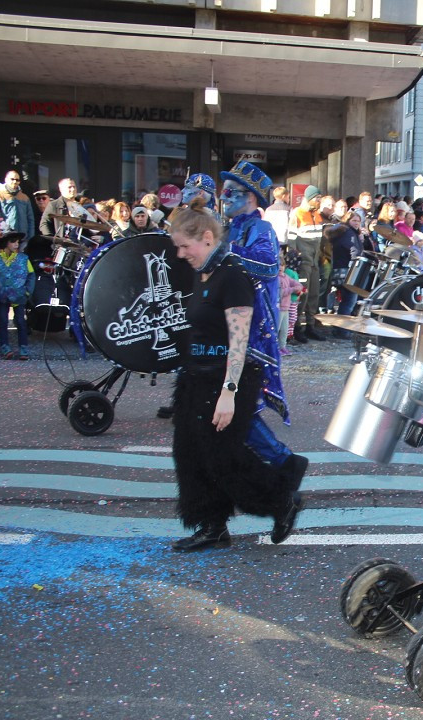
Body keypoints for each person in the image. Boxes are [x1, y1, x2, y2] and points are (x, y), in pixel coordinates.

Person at [167, 207, 304, 552]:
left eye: (185, 247)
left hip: (225, 379)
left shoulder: (232, 276)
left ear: (207, 239)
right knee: (190, 455)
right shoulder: (199, 274)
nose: (181, 254)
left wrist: (228, 393)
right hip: (194, 378)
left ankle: (281, 501)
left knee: (223, 458)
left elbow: (239, 343)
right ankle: (211, 526)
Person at [219, 160, 307, 485]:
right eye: (224, 191)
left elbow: (268, 266)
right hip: (225, 323)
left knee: (240, 407)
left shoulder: (261, 229)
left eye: (232, 192)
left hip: (250, 330)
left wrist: (224, 252)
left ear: (252, 198)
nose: (224, 197)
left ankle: (281, 465)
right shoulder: (227, 226)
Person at [287, 185, 326, 341]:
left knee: (314, 294)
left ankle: (310, 326)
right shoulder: (297, 213)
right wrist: (294, 255)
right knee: (302, 293)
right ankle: (297, 327)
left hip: (314, 260)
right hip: (303, 261)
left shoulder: (317, 214)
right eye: (317, 198)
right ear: (310, 198)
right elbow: (291, 237)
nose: (319, 201)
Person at [0, 231, 34, 360]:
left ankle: (23, 347)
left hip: (19, 295)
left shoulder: (24, 259)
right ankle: (4, 346)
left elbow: (31, 276)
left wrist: (27, 291)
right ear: (5, 243)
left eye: (18, 242)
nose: (16, 244)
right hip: (2, 296)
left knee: (20, 321)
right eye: (13, 242)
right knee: (2, 321)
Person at [0, 171, 36, 243]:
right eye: (12, 179)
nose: (15, 181)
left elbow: (30, 218)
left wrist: (30, 236)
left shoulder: (25, 197)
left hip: (23, 239)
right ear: (6, 180)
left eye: (17, 180)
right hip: (6, 238)